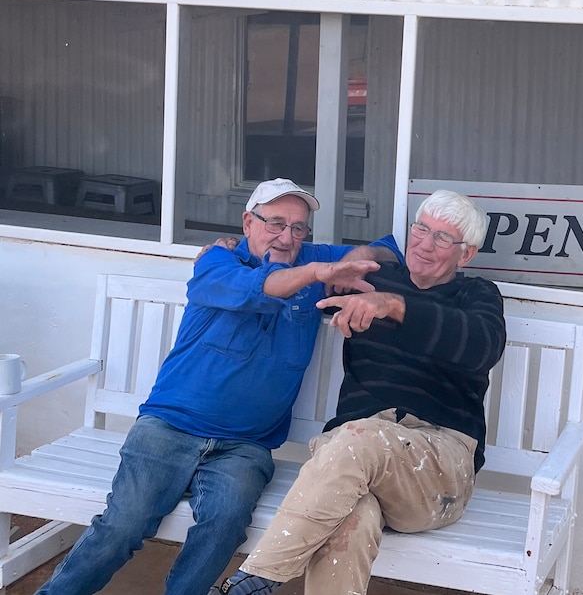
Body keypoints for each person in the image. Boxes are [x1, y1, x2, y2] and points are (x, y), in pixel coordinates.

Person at [34, 177, 401, 595]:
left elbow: (393, 249)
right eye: (276, 223)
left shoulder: (308, 258)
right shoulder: (217, 263)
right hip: (169, 428)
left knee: (225, 526)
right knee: (124, 524)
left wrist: (358, 255)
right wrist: (320, 272)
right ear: (248, 223)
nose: (287, 236)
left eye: (299, 227)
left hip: (246, 444)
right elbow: (259, 287)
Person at [215, 188, 506, 595]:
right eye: (420, 229)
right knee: (349, 519)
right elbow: (288, 251)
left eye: (443, 238)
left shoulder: (476, 295)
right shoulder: (368, 278)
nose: (424, 243)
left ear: (466, 254)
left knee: (361, 436)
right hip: (352, 461)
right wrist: (228, 247)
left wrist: (394, 305)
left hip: (437, 466)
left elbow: (481, 346)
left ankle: (262, 575)